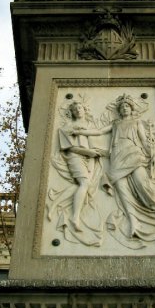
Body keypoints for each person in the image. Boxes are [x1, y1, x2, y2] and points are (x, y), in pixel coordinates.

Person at [74, 94, 155, 246]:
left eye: (127, 106)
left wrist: (151, 153)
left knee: (142, 184)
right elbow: (99, 132)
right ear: (119, 110)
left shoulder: (137, 122)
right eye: (122, 107)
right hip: (117, 156)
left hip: (133, 153)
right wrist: (81, 132)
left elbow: (144, 140)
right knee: (122, 190)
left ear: (131, 109)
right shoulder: (116, 123)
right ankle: (133, 221)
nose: (124, 108)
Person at [48, 100, 106, 246]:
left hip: (91, 158)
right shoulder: (65, 128)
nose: (78, 110)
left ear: (84, 109)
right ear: (71, 113)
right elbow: (69, 148)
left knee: (85, 186)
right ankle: (75, 217)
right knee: (84, 183)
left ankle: (55, 204)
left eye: (80, 107)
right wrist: (89, 152)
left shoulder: (90, 125)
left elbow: (99, 134)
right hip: (76, 156)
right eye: (75, 109)